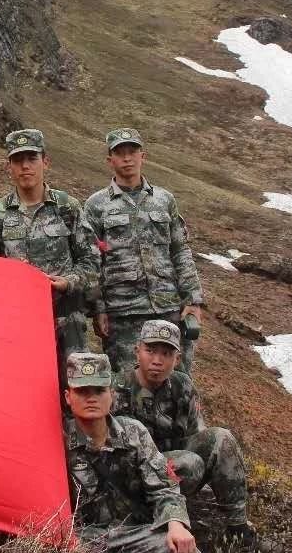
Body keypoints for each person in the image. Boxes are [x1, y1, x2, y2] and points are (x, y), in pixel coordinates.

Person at [112, 321, 262, 552]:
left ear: (177, 359)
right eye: (150, 351)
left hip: (175, 460)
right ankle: (158, 517)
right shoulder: (118, 390)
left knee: (221, 438)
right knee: (190, 463)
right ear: (137, 351)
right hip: (135, 474)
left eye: (166, 354)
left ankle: (238, 527)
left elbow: (196, 432)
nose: (157, 360)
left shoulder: (182, 385)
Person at [85, 129, 204, 371]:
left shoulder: (164, 200)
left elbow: (180, 250)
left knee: (176, 381)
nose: (127, 158)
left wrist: (193, 299)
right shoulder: (96, 205)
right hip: (123, 314)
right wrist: (98, 309)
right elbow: (92, 260)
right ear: (110, 160)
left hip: (168, 308)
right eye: (120, 153)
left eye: (132, 152)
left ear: (143, 156)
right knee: (128, 383)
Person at [64, 352, 202, 553]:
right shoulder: (58, 442)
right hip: (83, 540)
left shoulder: (133, 432)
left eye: (99, 390)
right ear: (68, 397)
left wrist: (175, 523)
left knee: (186, 552)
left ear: (111, 395)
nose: (91, 398)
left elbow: (164, 486)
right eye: (82, 391)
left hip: (135, 535)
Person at [0, 129, 99, 369]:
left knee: (73, 382)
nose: (25, 166)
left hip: (67, 319)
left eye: (32, 159)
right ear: (9, 167)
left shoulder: (67, 207)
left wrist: (69, 282)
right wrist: (8, 273)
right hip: (18, 320)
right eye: (17, 160)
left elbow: (92, 260)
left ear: (45, 162)